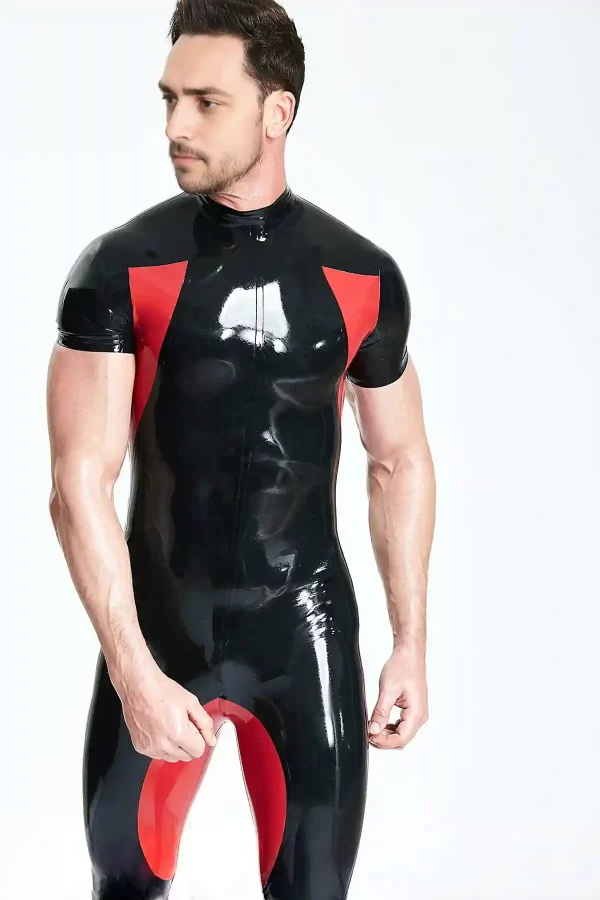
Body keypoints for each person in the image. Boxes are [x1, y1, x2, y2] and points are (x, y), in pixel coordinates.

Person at [46, 1, 436, 898]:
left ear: (276, 112)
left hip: (305, 629)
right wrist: (133, 673)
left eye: (206, 102)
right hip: (161, 628)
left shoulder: (361, 275)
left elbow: (400, 460)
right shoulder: (119, 269)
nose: (175, 126)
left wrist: (410, 645)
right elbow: (77, 485)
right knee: (124, 884)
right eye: (169, 98)